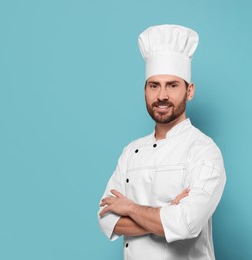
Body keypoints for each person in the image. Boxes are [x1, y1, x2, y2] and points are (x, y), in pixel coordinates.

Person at [98, 24, 226, 260]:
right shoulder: (131, 151)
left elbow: (187, 224)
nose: (162, 96)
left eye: (172, 85)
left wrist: (130, 209)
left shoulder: (203, 151)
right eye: (154, 85)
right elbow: (107, 219)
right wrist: (167, 216)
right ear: (145, 90)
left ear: (190, 91)